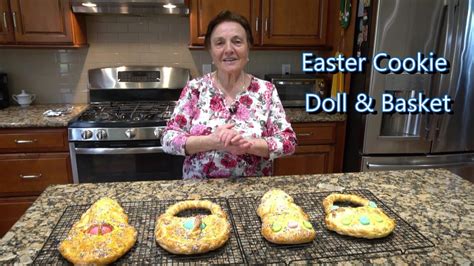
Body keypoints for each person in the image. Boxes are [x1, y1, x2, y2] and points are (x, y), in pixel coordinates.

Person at [161, 10, 296, 179]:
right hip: (199, 192)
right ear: (210, 51)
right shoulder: (195, 89)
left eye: (237, 42)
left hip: (253, 192)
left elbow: (288, 141)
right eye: (219, 43)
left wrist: (248, 145)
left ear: (248, 48)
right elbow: (168, 139)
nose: (228, 49)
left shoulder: (266, 91)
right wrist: (213, 141)